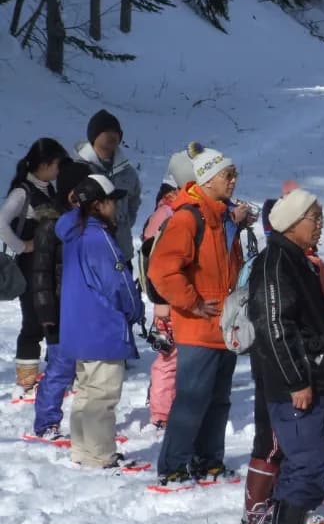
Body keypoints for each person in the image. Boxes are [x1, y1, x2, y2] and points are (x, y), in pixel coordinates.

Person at [247, 189, 324, 524]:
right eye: (315, 219)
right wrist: (296, 381)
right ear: (292, 223)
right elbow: (275, 327)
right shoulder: (274, 265)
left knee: (309, 462)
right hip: (295, 385)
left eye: (321, 218)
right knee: (306, 463)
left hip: (313, 376)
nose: (320, 226)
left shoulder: (297, 262)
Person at [147, 143, 253, 485]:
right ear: (207, 179)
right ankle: (173, 466)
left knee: (218, 401)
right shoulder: (187, 217)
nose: (234, 180)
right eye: (227, 175)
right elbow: (161, 271)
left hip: (225, 326)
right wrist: (191, 302)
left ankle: (208, 461)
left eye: (235, 174)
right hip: (198, 326)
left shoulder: (222, 217)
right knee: (191, 400)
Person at [56, 175, 145, 470]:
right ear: (98, 204)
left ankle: (82, 449)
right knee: (102, 395)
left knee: (86, 391)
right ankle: (99, 455)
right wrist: (134, 310)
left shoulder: (73, 232)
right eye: (111, 201)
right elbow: (117, 283)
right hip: (102, 326)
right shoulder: (98, 237)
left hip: (78, 327)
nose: (116, 207)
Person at [27, 161, 91, 440]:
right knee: (60, 368)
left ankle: (88, 424)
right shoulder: (50, 225)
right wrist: (46, 313)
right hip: (58, 309)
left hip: (83, 307)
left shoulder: (88, 222)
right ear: (71, 192)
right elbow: (40, 273)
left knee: (89, 370)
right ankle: (46, 421)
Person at [2, 137, 67, 394]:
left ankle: (56, 374)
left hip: (51, 266)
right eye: (56, 165)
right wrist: (22, 246)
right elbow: (1, 223)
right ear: (45, 164)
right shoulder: (23, 192)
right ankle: (27, 380)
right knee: (32, 321)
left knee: (53, 316)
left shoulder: (50, 189)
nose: (58, 171)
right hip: (30, 267)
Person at [142, 149, 192, 429]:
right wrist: (160, 300)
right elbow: (154, 260)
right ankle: (161, 412)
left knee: (178, 355)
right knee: (169, 356)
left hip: (179, 294)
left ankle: (167, 403)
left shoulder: (171, 208)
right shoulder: (168, 212)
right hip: (167, 297)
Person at [74, 109, 141, 263]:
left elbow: (134, 201)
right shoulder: (78, 168)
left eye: (116, 132)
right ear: (94, 135)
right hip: (91, 254)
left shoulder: (127, 171)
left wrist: (124, 223)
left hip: (122, 253)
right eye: (106, 131)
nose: (113, 135)